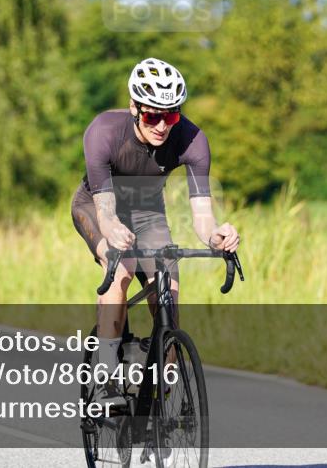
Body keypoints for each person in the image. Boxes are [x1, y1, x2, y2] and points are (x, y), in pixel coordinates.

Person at [71, 57, 240, 397]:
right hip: (97, 206)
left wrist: (215, 235)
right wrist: (114, 231)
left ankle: (161, 395)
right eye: (153, 116)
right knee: (121, 268)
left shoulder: (192, 140)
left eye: (172, 115)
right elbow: (106, 214)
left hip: (149, 213)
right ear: (134, 107)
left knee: (168, 294)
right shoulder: (103, 132)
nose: (163, 126)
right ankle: (106, 378)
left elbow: (202, 215)